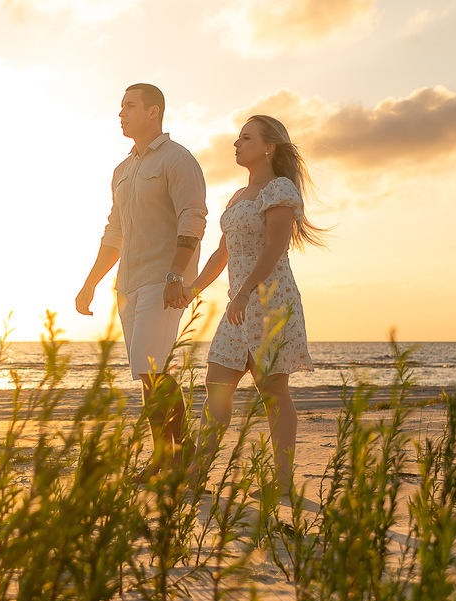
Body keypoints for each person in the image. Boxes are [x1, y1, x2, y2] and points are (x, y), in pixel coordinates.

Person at [183, 114, 328, 494]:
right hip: (239, 305)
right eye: (237, 137)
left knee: (273, 391)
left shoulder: (279, 190)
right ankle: (197, 475)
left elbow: (275, 246)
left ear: (269, 147)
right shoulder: (236, 197)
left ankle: (281, 481)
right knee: (216, 385)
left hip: (269, 301)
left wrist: (246, 291)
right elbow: (222, 253)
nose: (236, 143)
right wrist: (192, 289)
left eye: (246, 138)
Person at [76, 83, 207, 481]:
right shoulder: (123, 169)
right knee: (149, 375)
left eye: (129, 106)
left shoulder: (177, 160)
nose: (121, 113)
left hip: (162, 280)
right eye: (120, 107)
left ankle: (177, 458)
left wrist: (175, 276)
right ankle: (167, 458)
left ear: (154, 111)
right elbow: (114, 232)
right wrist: (91, 282)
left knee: (154, 370)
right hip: (128, 284)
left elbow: (193, 218)